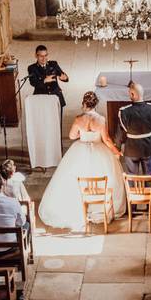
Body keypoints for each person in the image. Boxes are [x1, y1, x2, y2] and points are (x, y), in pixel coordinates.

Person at [37, 91, 125, 230]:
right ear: (95, 104)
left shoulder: (78, 119)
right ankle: (101, 207)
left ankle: (81, 207)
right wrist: (116, 151)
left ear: (84, 104)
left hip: (80, 149)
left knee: (74, 178)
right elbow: (106, 139)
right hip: (98, 150)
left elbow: (72, 136)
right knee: (106, 175)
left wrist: (81, 133)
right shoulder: (101, 120)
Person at [115, 82, 151, 175]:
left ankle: (134, 190)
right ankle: (148, 189)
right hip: (149, 148)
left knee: (132, 178)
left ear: (132, 94)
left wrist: (117, 149)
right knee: (149, 178)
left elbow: (120, 134)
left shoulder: (124, 112)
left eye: (130, 93)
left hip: (131, 149)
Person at [27, 44, 68, 110]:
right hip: (42, 98)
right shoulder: (32, 68)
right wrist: (44, 80)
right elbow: (33, 83)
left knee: (58, 119)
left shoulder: (53, 64)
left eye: (46, 55)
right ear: (36, 56)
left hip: (56, 97)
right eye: (41, 56)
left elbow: (64, 76)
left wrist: (65, 78)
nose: (44, 58)